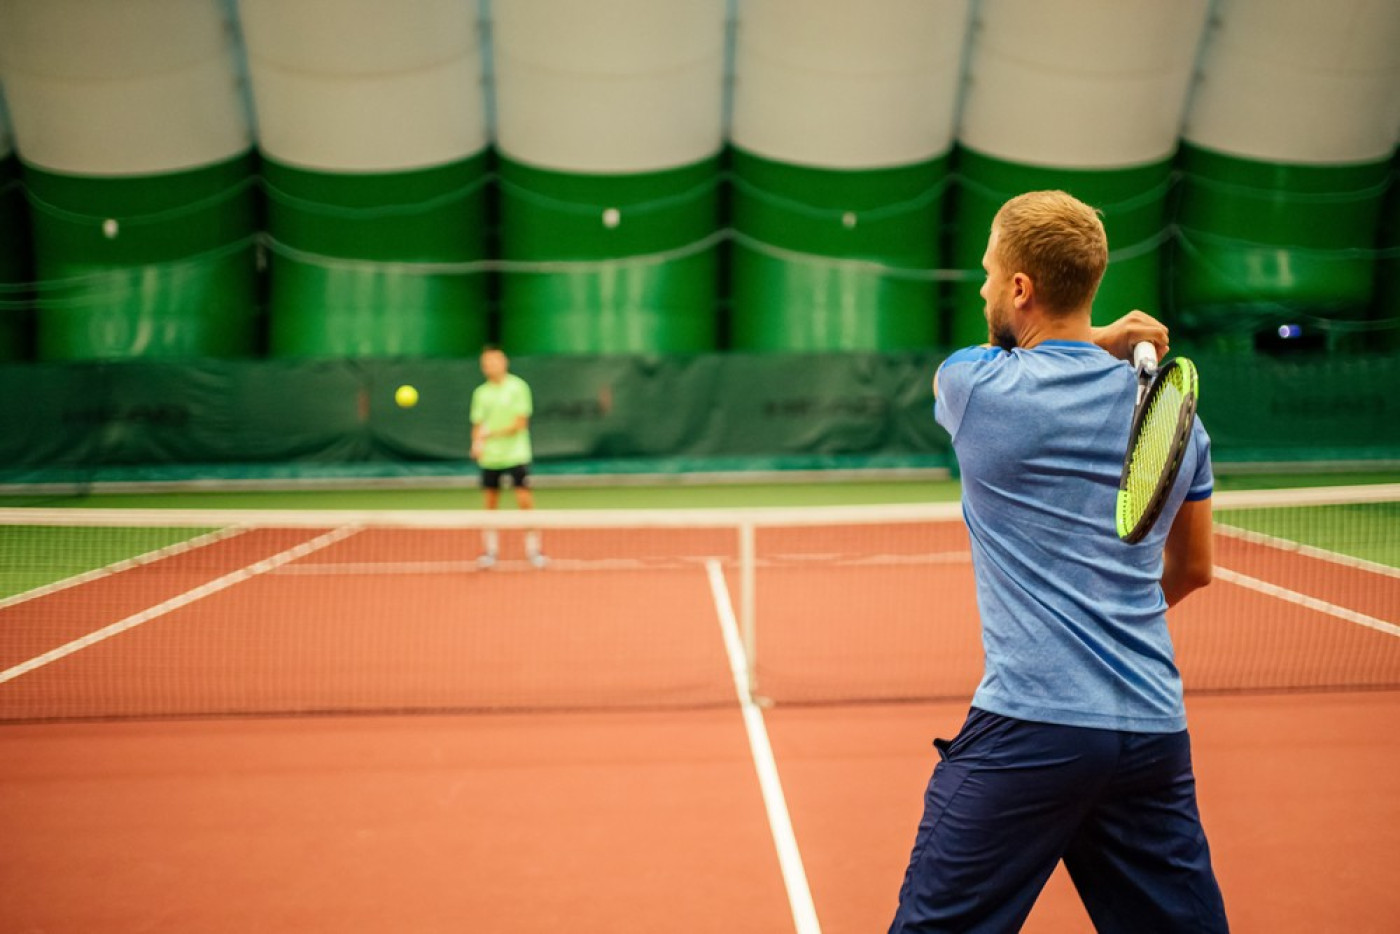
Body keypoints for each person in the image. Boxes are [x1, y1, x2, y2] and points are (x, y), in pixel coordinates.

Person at [889, 191, 1227, 932]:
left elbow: (1033, 354)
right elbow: (1194, 568)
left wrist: (1099, 337)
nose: (982, 287)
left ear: (1019, 287)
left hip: (1029, 729)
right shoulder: (1175, 419)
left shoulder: (974, 387)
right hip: (1151, 732)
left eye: (988, 273)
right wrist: (1103, 340)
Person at [470, 346, 545, 568]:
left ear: (504, 362)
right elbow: (477, 424)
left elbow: (520, 424)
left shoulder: (518, 387)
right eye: (486, 363)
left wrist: (489, 434)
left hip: (516, 454)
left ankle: (534, 551)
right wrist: (477, 443)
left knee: (524, 502)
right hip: (490, 458)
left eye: (494, 361)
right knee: (490, 505)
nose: (490, 366)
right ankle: (490, 552)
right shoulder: (480, 393)